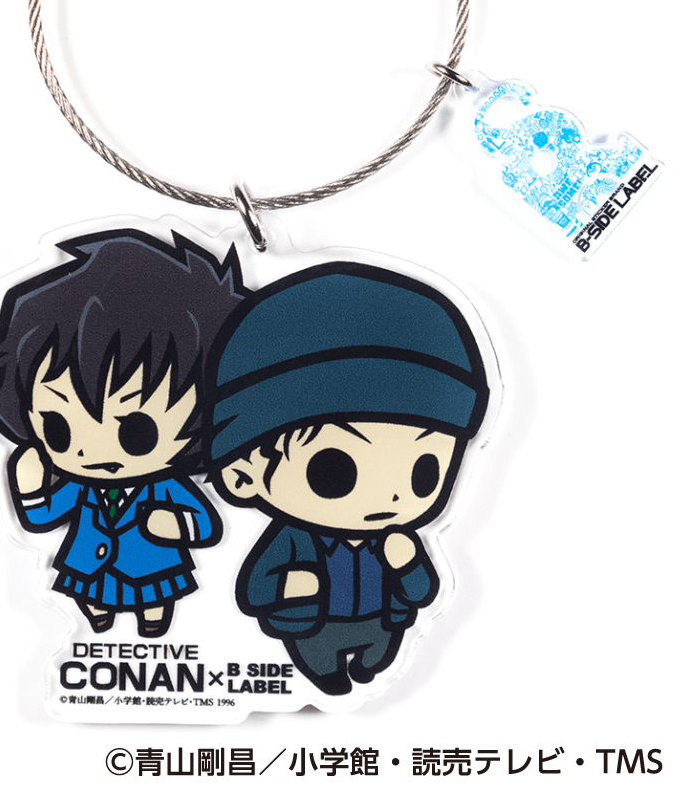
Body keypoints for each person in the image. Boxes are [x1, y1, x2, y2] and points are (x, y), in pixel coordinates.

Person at [208, 262, 491, 694]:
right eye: (333, 471)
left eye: (423, 473)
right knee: (324, 667)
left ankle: (367, 665)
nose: (390, 496)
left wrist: (407, 563)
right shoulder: (293, 540)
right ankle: (328, 674)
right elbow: (257, 589)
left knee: (375, 659)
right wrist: (289, 584)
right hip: (315, 627)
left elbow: (421, 591)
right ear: (242, 471)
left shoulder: (395, 539)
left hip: (382, 624)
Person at [0, 229, 246, 637]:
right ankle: (98, 616)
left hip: (151, 567)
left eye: (136, 432)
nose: (90, 453)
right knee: (95, 600)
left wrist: (176, 526)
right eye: (59, 430)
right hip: (89, 567)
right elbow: (44, 517)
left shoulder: (166, 485)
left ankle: (152, 617)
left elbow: (205, 525)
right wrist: (28, 486)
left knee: (153, 601)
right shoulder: (76, 483)